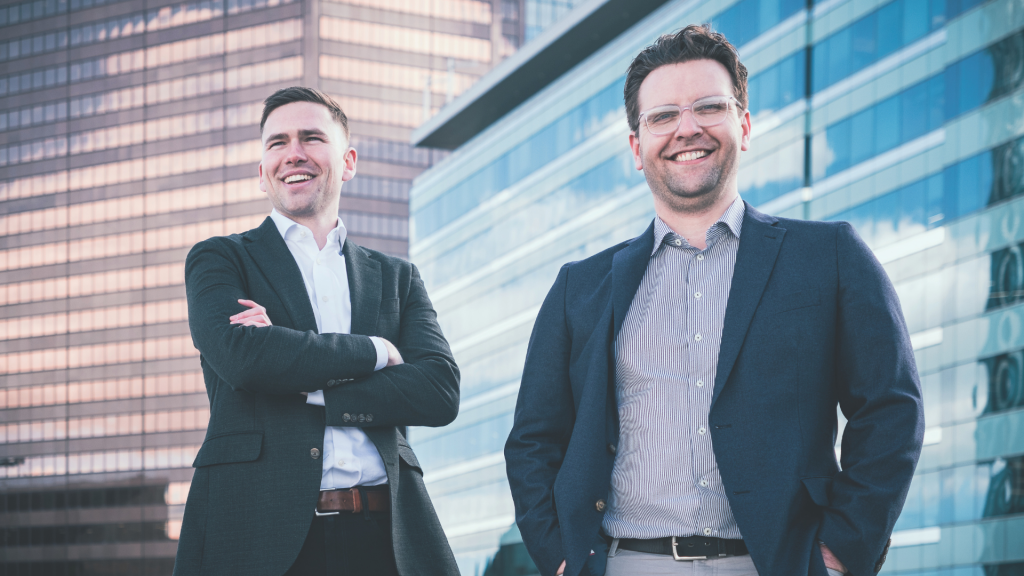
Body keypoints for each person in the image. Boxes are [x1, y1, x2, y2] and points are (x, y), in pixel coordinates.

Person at [504, 25, 924, 576]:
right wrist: (561, 560)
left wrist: (843, 551)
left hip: (778, 563)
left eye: (708, 107)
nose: (687, 128)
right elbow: (533, 443)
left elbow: (892, 409)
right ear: (637, 147)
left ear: (743, 125)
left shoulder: (831, 256)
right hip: (627, 562)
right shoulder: (578, 288)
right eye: (662, 116)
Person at [173, 87, 460, 576]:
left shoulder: (397, 276)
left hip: (388, 537)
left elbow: (438, 390)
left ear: (347, 161)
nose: (293, 153)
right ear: (261, 173)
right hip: (258, 536)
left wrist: (303, 378)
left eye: (311, 137)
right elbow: (245, 358)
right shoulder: (220, 259)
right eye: (277, 143)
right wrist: (375, 351)